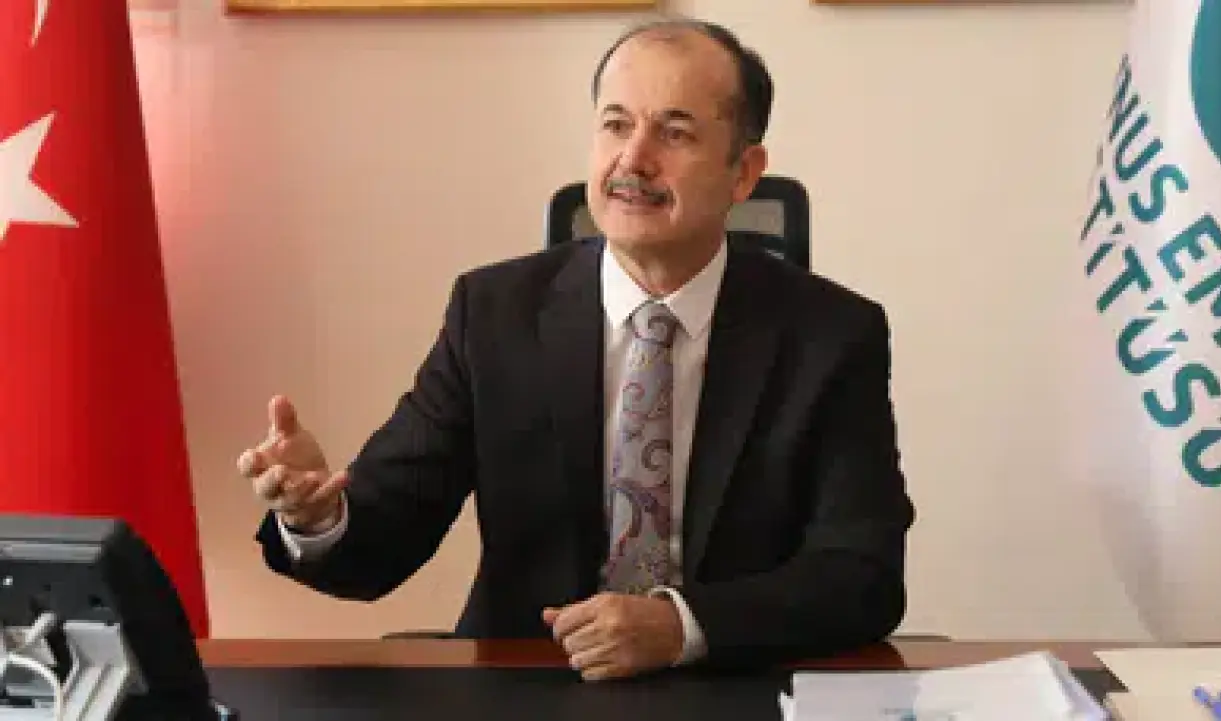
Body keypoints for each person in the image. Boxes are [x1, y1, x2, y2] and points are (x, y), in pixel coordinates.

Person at [238, 17, 915, 682]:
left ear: (743, 173)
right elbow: (384, 542)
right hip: (527, 682)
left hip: (730, 681)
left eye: (674, 133)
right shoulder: (493, 314)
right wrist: (317, 516)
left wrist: (681, 627)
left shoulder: (831, 335)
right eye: (616, 125)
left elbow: (862, 574)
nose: (633, 160)